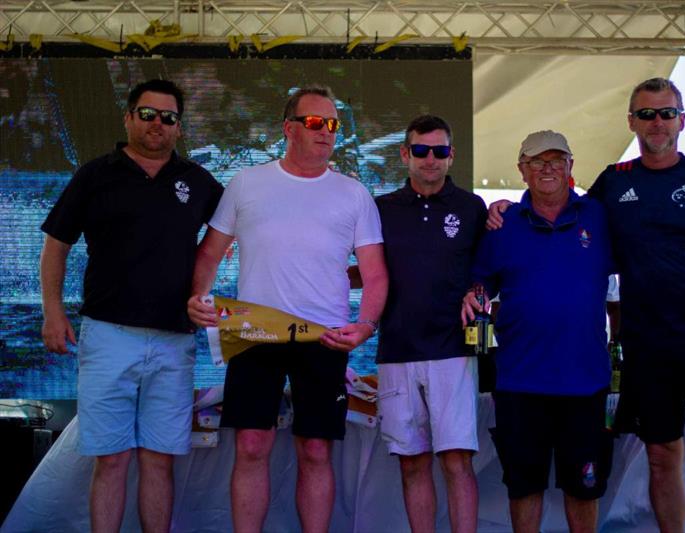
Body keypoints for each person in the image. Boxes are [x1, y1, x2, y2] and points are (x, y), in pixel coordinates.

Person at [488, 78, 685, 532]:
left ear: (681, 119)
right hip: (646, 343)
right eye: (646, 114)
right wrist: (506, 206)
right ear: (631, 122)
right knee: (662, 456)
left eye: (665, 113)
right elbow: (560, 206)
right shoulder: (613, 182)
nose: (656, 122)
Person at [187, 84, 388, 533]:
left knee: (316, 450)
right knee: (252, 445)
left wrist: (366, 326)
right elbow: (210, 253)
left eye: (332, 124)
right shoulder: (246, 182)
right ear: (288, 129)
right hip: (254, 332)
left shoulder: (354, 194)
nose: (326, 132)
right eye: (315, 122)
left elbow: (375, 275)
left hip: (325, 338)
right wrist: (198, 297)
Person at [40, 79, 224, 532]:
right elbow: (55, 244)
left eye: (168, 117)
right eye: (147, 114)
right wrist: (52, 311)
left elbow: (231, 236)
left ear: (179, 127)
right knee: (112, 459)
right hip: (107, 335)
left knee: (159, 460)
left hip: (174, 341)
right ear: (127, 117)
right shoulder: (95, 174)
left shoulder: (198, 182)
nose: (157, 124)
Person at [464, 130, 613, 533]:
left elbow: (644, 260)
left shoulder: (599, 216)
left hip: (584, 380)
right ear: (522, 170)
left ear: (570, 166)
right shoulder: (503, 223)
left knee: (583, 489)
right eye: (536, 161)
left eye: (556, 160)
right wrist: (474, 295)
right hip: (519, 380)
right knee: (523, 487)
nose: (547, 168)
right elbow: (482, 283)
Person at [375, 115, 487, 532]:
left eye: (439, 151)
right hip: (396, 351)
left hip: (452, 350)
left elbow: (487, 269)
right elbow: (364, 272)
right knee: (412, 463)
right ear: (405, 154)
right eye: (421, 151)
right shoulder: (381, 208)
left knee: (456, 461)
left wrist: (478, 289)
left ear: (451, 155)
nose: (430, 160)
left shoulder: (471, 207)